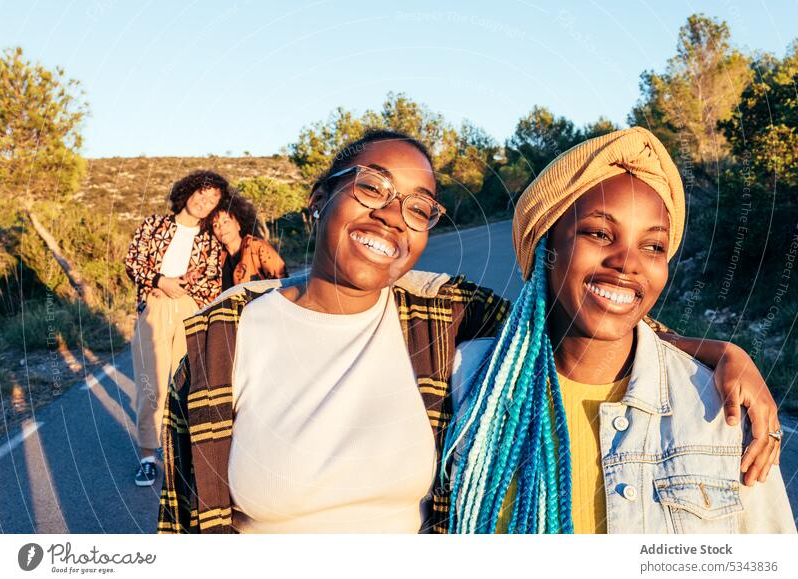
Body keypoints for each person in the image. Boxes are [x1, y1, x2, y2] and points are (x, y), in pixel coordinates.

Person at [157, 129, 781, 534]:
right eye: (371, 186)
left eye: (419, 206)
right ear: (318, 200)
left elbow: (582, 322)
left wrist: (720, 351)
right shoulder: (222, 341)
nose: (390, 215)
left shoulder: (440, 324)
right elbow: (185, 517)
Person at [445, 127, 795, 534]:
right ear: (546, 248)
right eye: (599, 233)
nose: (627, 262)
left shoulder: (723, 407)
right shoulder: (464, 381)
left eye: (653, 247)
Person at [124, 170, 229, 487]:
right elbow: (133, 261)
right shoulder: (153, 225)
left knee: (187, 386)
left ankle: (186, 456)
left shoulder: (210, 241)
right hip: (155, 306)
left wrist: (185, 288)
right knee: (150, 385)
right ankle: (147, 457)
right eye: (202, 193)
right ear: (188, 191)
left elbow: (212, 282)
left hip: (190, 308)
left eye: (213, 200)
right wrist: (160, 282)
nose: (205, 202)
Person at [211, 191, 288, 290]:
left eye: (226, 221)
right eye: (215, 225)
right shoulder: (217, 258)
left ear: (238, 224)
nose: (221, 228)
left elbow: (283, 282)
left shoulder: (257, 246)